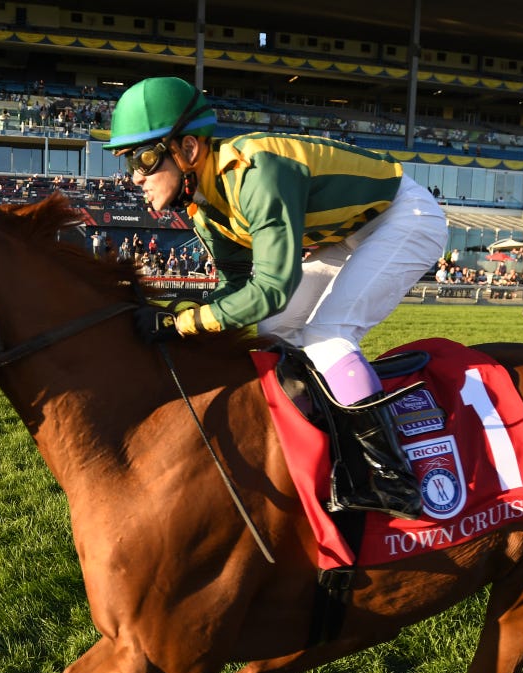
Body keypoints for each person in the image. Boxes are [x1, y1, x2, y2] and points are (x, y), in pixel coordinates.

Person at [105, 76, 448, 519]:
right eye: (128, 163)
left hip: (404, 216)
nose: (136, 176)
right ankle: (324, 443)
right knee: (275, 330)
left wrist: (185, 324)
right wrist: (186, 316)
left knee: (328, 334)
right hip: (347, 232)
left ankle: (393, 480)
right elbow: (235, 285)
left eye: (145, 158)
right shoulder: (205, 206)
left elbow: (271, 287)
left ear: (188, 149)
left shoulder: (255, 173)